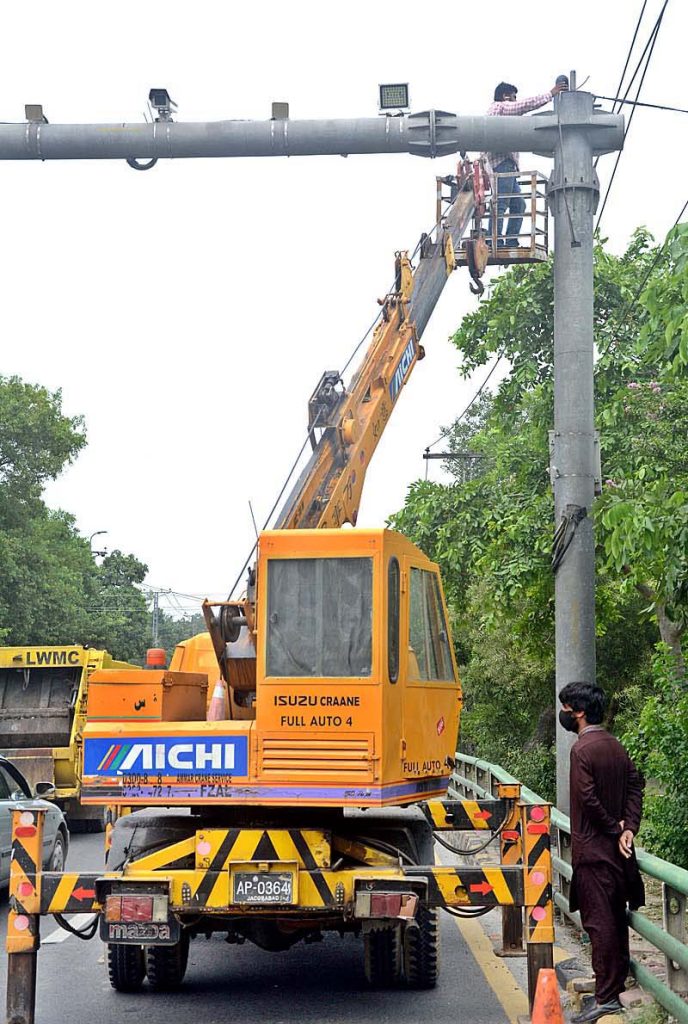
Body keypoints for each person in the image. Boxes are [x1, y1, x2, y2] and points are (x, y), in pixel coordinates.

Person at [558, 681, 645, 1023]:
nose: (564, 714)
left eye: (566, 708)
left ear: (579, 712)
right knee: (615, 921)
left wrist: (613, 828)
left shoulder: (582, 750)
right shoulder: (615, 745)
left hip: (593, 852)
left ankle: (606, 997)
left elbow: (586, 799)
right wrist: (628, 829)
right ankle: (613, 987)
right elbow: (636, 786)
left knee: (599, 924)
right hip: (618, 855)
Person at [484, 80, 566, 246]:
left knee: (519, 204)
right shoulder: (499, 107)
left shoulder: (499, 111)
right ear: (505, 96)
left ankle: (510, 240)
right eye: (513, 97)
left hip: (507, 165)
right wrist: (550, 94)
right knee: (501, 202)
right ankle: (495, 241)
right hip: (501, 163)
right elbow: (524, 105)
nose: (515, 100)